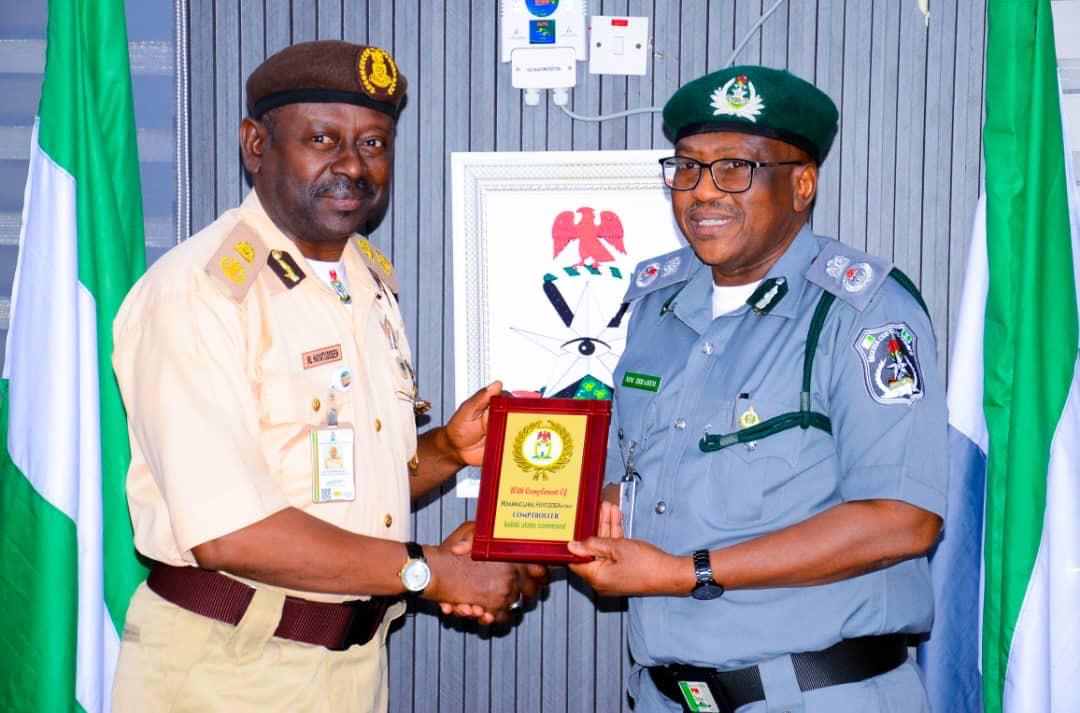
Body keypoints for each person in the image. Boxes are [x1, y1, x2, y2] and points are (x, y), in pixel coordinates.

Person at [110, 40, 544, 713]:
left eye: (374, 143)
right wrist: (429, 569)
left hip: (352, 666)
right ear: (256, 144)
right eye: (322, 138)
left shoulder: (365, 280)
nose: (352, 165)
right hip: (226, 669)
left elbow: (339, 483)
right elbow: (231, 529)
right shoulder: (198, 293)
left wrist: (449, 453)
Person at [568, 65, 946, 713]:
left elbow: (902, 520)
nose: (703, 192)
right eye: (687, 168)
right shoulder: (655, 308)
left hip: (821, 695)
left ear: (802, 184)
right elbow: (630, 479)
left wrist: (689, 572)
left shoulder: (861, 310)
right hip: (665, 696)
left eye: (735, 168)